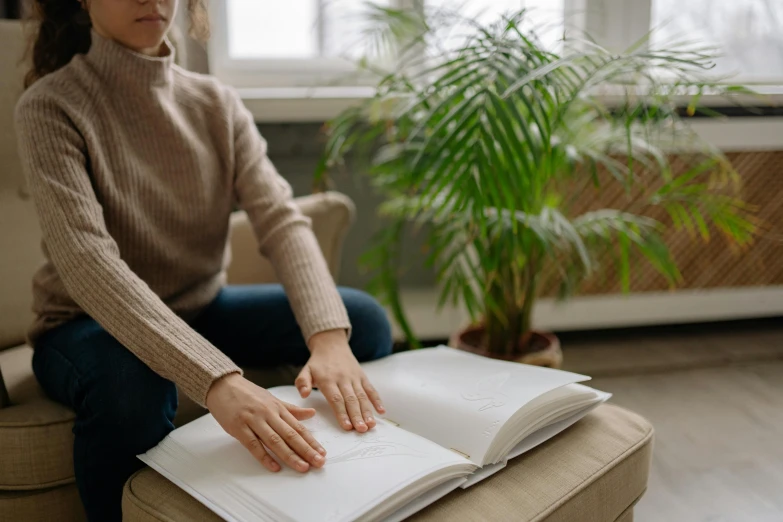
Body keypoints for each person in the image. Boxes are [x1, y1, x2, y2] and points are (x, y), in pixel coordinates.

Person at [14, 0, 393, 519]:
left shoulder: (217, 103)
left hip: (200, 306)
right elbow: (86, 261)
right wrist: (218, 381)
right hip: (86, 324)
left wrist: (328, 338)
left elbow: (281, 220)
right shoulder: (50, 106)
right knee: (134, 389)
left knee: (361, 322)